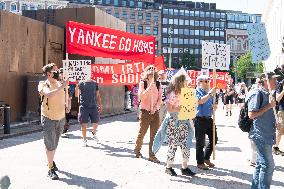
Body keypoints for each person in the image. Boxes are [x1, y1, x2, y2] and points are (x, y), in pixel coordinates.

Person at [246, 72, 279, 189]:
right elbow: (251, 114)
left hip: (267, 134)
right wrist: (269, 106)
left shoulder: (268, 93)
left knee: (260, 164)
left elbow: (266, 114)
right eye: (274, 80)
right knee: (268, 165)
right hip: (260, 135)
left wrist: (274, 123)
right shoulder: (257, 93)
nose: (276, 82)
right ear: (266, 81)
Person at [38, 63, 68, 180]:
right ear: (49, 73)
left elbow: (64, 94)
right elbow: (49, 95)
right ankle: (50, 168)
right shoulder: (42, 84)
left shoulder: (60, 83)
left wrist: (68, 105)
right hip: (48, 117)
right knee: (50, 143)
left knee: (55, 142)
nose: (58, 72)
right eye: (55, 70)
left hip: (60, 117)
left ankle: (50, 160)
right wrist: (62, 86)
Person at [164, 74, 196, 176]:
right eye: (185, 81)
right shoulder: (172, 93)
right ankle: (168, 167)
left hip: (184, 121)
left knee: (185, 144)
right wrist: (178, 108)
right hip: (174, 121)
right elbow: (169, 109)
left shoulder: (187, 93)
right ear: (180, 82)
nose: (187, 82)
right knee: (173, 144)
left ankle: (184, 167)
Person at [134, 65, 162, 163]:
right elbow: (141, 97)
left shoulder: (158, 84)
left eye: (153, 70)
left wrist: (155, 108)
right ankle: (137, 150)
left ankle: (152, 155)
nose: (151, 72)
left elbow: (160, 99)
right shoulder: (143, 83)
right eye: (150, 70)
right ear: (147, 73)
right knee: (142, 132)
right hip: (145, 112)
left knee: (153, 135)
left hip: (155, 113)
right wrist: (150, 86)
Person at [194, 75, 217, 170]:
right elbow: (200, 101)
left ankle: (206, 158)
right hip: (199, 119)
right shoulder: (196, 91)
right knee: (200, 142)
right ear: (200, 82)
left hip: (209, 118)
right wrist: (210, 94)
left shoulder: (209, 92)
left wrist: (214, 107)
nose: (208, 83)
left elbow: (211, 105)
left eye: (208, 81)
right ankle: (200, 162)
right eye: (206, 81)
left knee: (214, 139)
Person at [75, 79, 102, 147]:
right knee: (84, 124)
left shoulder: (95, 83)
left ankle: (94, 133)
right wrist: (76, 85)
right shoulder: (80, 83)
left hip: (93, 106)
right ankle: (84, 140)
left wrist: (100, 104)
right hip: (83, 107)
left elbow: (98, 95)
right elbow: (76, 95)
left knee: (96, 122)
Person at [274, 71, 284, 156]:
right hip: (282, 110)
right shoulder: (281, 83)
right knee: (280, 130)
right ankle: (275, 147)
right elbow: (277, 98)